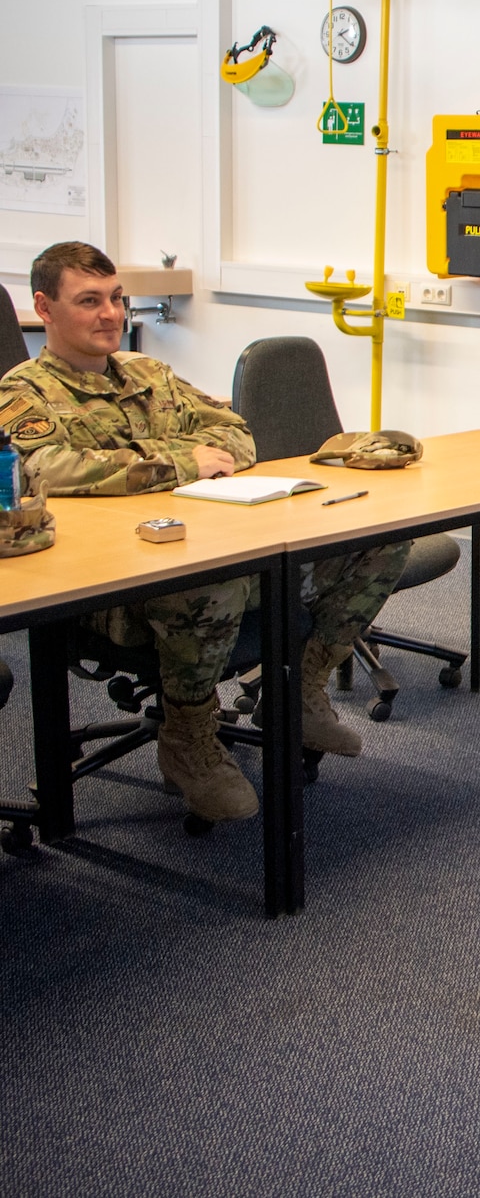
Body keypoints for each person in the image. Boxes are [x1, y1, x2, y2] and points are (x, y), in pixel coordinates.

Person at [0, 241, 412, 825]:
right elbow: (46, 467)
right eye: (89, 301)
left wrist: (149, 460)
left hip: (210, 538)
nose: (111, 314)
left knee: (377, 538)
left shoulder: (150, 372)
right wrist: (183, 459)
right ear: (44, 308)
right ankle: (188, 736)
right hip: (118, 581)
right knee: (211, 581)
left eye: (116, 298)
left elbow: (238, 434)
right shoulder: (22, 392)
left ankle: (302, 690)